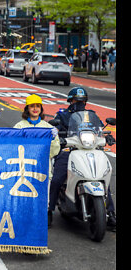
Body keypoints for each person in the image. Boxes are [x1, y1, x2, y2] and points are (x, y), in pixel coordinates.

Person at [48, 87, 116, 231]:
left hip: (90, 148)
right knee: (56, 179)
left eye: (82, 100)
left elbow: (99, 130)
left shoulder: (92, 115)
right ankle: (49, 211)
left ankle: (110, 213)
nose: (79, 103)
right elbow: (55, 128)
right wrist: (58, 136)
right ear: (70, 101)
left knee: (103, 177)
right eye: (76, 100)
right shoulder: (62, 115)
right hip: (69, 149)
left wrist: (106, 136)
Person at [13, 94, 60, 202]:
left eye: (38, 106)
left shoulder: (48, 128)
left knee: (43, 201)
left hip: (43, 169)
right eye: (32, 106)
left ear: (41, 109)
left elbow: (54, 151)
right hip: (24, 171)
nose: (35, 109)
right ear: (27, 109)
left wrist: (53, 138)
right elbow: (13, 147)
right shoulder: (19, 126)